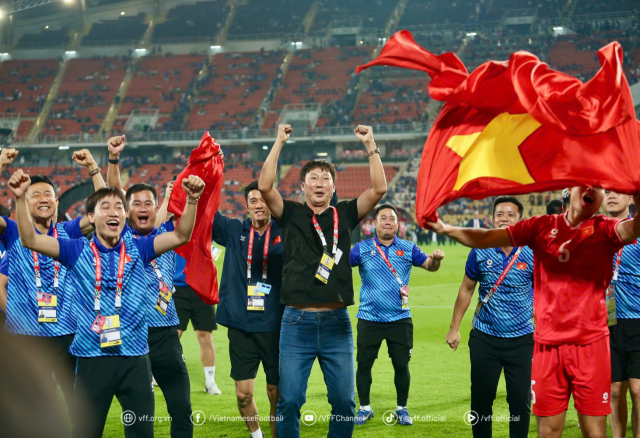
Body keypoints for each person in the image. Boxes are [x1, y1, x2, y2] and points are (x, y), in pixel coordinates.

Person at [429, 186, 640, 438]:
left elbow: (633, 228)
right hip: (547, 346)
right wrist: (445, 229)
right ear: (569, 193)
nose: (589, 189)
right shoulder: (541, 226)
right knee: (548, 431)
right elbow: (485, 238)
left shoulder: (605, 228)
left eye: (596, 187)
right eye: (582, 184)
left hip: (591, 345)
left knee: (594, 432)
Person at [10, 169, 205, 438]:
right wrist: (20, 198)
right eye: (105, 207)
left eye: (118, 207)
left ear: (124, 216)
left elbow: (180, 236)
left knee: (141, 433)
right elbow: (30, 240)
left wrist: (192, 200)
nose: (113, 212)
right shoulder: (75, 250)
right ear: (91, 217)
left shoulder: (140, 248)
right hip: (93, 360)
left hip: (136, 360)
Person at [258, 124, 387, 438]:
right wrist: (278, 142)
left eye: (325, 178)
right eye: (313, 178)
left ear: (333, 186)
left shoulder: (346, 213)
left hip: (337, 323)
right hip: (296, 323)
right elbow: (264, 187)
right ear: (302, 185)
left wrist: (370, 143)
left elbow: (379, 190)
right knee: (289, 402)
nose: (319, 183)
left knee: (345, 402)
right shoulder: (289, 213)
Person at [0, 148, 104, 426]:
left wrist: (94, 167)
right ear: (22, 198)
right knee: (22, 410)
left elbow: (106, 211)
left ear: (57, 202)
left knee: (79, 404)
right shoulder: (12, 230)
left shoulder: (69, 232)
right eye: (35, 194)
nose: (43, 199)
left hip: (69, 335)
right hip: (25, 336)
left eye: (48, 194)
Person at [107, 135, 193, 437]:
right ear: (126, 211)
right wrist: (113, 160)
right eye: (136, 204)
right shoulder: (122, 239)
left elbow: (187, 223)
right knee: (139, 415)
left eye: (149, 204)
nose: (142, 208)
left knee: (182, 407)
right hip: (133, 337)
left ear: (158, 209)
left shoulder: (167, 235)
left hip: (166, 336)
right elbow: (112, 193)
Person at [446, 196, 534, 438]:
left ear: (521, 220)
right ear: (492, 219)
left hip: (523, 340)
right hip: (485, 338)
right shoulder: (480, 250)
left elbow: (545, 292)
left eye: (510, 214)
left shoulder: (532, 253)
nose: (504, 218)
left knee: (520, 402)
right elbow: (466, 289)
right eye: (499, 214)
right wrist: (454, 328)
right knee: (481, 402)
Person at [350, 204, 444, 426]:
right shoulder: (361, 249)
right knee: (364, 365)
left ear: (398, 223)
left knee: (402, 365)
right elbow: (340, 268)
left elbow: (429, 265)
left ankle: (402, 408)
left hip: (399, 320)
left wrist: (437, 259)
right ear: (373, 224)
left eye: (392, 218)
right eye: (383, 218)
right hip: (369, 318)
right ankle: (364, 408)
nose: (388, 222)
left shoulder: (408, 248)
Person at [213, 180, 285, 438]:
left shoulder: (285, 231)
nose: (259, 205)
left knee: (276, 394)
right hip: (241, 326)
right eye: (253, 201)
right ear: (246, 205)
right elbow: (205, 214)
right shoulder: (234, 229)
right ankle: (257, 436)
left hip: (275, 325)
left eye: (264, 200)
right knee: (244, 395)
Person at [602, 190, 640, 438]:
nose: (611, 195)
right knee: (615, 391)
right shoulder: (593, 233)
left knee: (637, 390)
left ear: (632, 199)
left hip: (638, 321)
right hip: (606, 323)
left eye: (618, 191)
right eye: (606, 192)